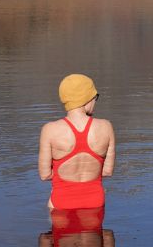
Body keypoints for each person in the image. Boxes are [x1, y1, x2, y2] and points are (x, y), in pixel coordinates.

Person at [39, 74, 116, 210]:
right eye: (95, 97)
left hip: (61, 200)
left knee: (59, 230)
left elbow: (45, 175)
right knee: (97, 230)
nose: (95, 102)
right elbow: (107, 171)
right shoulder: (106, 126)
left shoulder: (50, 130)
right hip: (95, 200)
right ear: (87, 99)